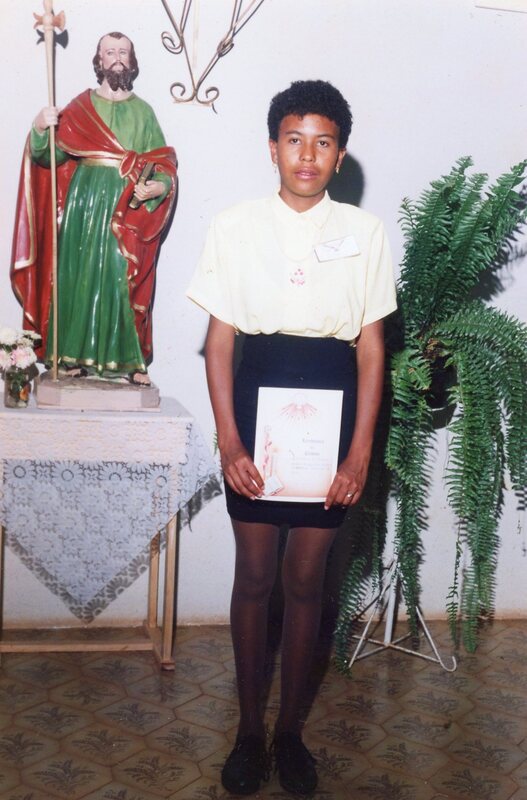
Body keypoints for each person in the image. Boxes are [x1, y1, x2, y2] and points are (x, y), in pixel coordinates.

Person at [187, 80, 396, 795]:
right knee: (254, 575)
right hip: (258, 401)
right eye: (294, 140)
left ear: (340, 154)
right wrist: (230, 442)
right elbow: (220, 345)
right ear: (272, 148)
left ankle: (290, 734)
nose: (307, 155)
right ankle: (249, 731)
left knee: (306, 579)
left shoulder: (364, 233)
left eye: (323, 142)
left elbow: (372, 350)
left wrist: (359, 451)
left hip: (333, 407)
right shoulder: (235, 226)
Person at [11, 32, 178, 385]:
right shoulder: (80, 107)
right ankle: (69, 356)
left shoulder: (143, 111)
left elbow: (162, 161)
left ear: (131, 61)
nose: (116, 57)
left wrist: (159, 186)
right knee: (78, 275)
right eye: (109, 52)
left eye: (123, 52)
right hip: (84, 203)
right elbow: (49, 156)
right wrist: (41, 127)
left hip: (125, 204)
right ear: (99, 60)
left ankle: (128, 360)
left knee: (122, 276)